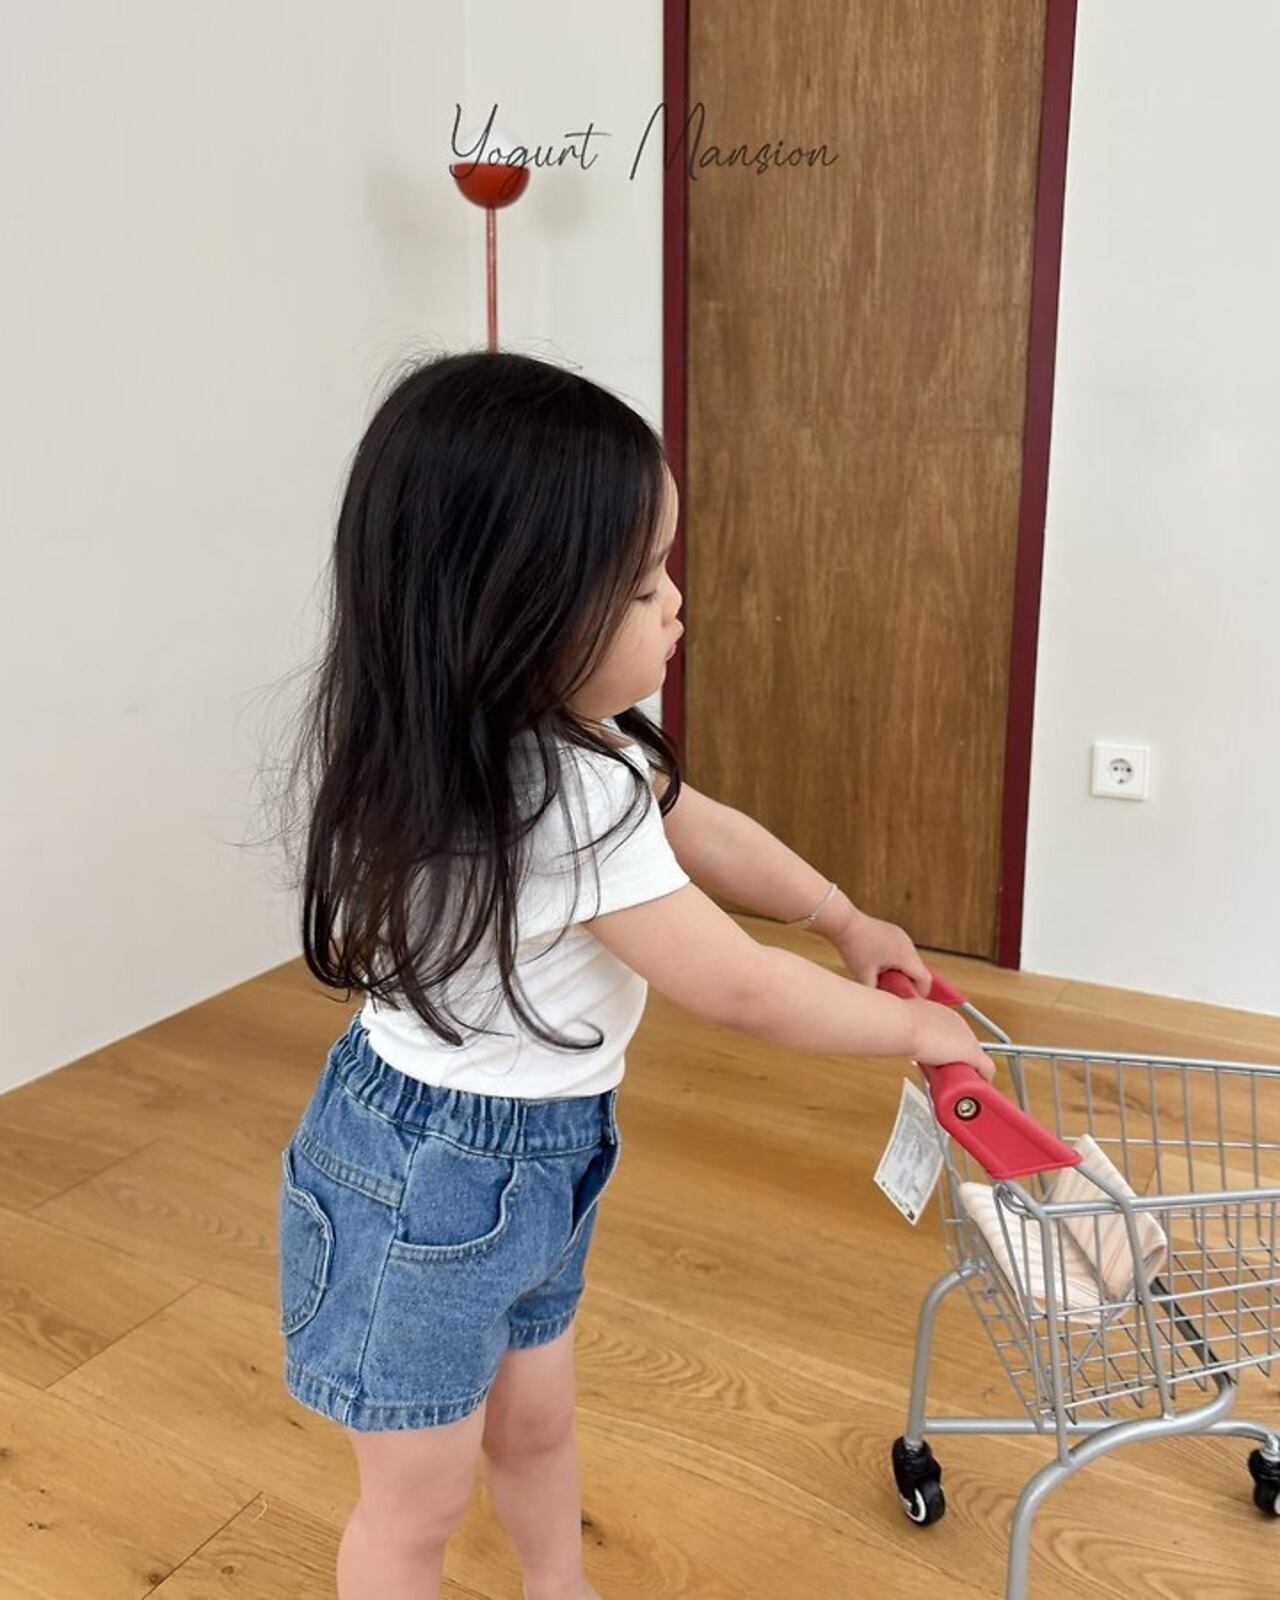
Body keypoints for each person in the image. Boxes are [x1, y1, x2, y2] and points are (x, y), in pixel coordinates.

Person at [273, 348, 997, 1600]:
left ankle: (563, 1587)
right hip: (433, 1182)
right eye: (641, 580)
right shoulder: (549, 791)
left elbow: (706, 829)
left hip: (533, 1160)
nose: (675, 604)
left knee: (536, 1421)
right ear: (512, 604)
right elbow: (736, 987)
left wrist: (842, 917)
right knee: (413, 1506)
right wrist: (918, 1035)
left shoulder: (555, 734)